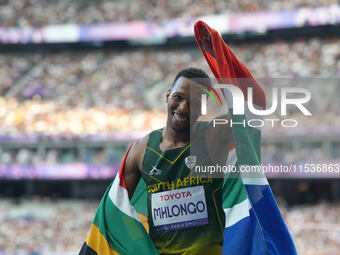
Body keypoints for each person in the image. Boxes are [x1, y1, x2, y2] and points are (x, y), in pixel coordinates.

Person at [123, 67, 233, 255]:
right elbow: (117, 207)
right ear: (168, 95)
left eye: (195, 103)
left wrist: (219, 57)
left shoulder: (215, 134)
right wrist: (139, 245)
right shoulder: (141, 150)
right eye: (178, 97)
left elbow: (255, 107)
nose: (183, 108)